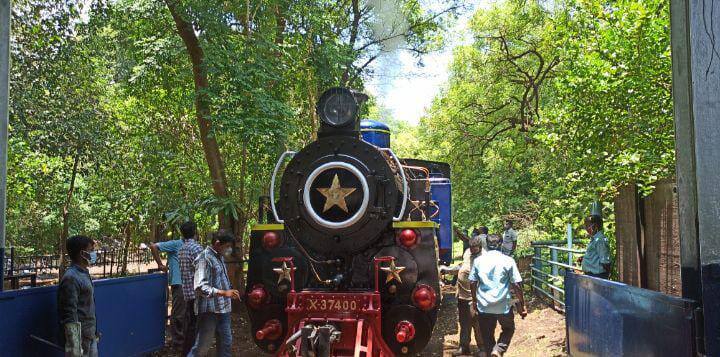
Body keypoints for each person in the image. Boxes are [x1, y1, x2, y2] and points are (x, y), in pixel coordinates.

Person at [469, 234, 527, 357]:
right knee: (508, 329)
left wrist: (474, 301)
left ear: (486, 244)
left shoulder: (478, 261)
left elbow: (472, 282)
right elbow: (516, 284)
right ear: (500, 244)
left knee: (487, 334)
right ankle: (499, 349)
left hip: (484, 305)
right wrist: (522, 305)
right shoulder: (508, 260)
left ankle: (493, 352)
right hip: (503, 305)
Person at [189, 230, 241, 357]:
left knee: (226, 344)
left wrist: (229, 291)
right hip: (209, 311)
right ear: (217, 244)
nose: (229, 249)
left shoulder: (219, 257)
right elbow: (200, 286)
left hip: (223, 310)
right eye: (227, 246)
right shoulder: (204, 259)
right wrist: (224, 293)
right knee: (202, 347)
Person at [443, 234, 485, 356]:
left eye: (475, 249)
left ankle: (482, 348)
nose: (472, 251)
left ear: (480, 247)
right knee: (464, 322)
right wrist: (448, 269)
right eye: (471, 248)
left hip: (476, 296)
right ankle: (464, 346)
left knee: (477, 321)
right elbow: (462, 266)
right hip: (462, 295)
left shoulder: (484, 258)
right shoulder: (467, 252)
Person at [58, 235, 99, 357]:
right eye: (91, 250)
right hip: (81, 341)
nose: (93, 253)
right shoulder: (71, 278)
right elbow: (69, 313)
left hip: (90, 336)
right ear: (82, 253)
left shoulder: (83, 273)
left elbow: (87, 306)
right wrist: (74, 346)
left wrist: (95, 331)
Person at [150, 234, 185, 348]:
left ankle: (183, 338)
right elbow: (154, 246)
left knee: (185, 312)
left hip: (188, 283)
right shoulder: (176, 244)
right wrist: (160, 264)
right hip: (178, 282)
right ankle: (177, 341)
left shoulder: (191, 246)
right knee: (178, 313)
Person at [178, 221, 204, 356]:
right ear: (195, 232)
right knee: (196, 325)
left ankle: (188, 351)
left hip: (187, 292)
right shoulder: (196, 248)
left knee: (191, 323)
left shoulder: (182, 248)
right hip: (197, 294)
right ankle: (191, 352)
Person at [579, 215, 611, 279]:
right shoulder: (595, 239)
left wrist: (606, 276)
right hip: (592, 275)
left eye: (587, 225)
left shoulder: (600, 240)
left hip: (597, 276)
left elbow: (605, 261)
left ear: (595, 226)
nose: (585, 228)